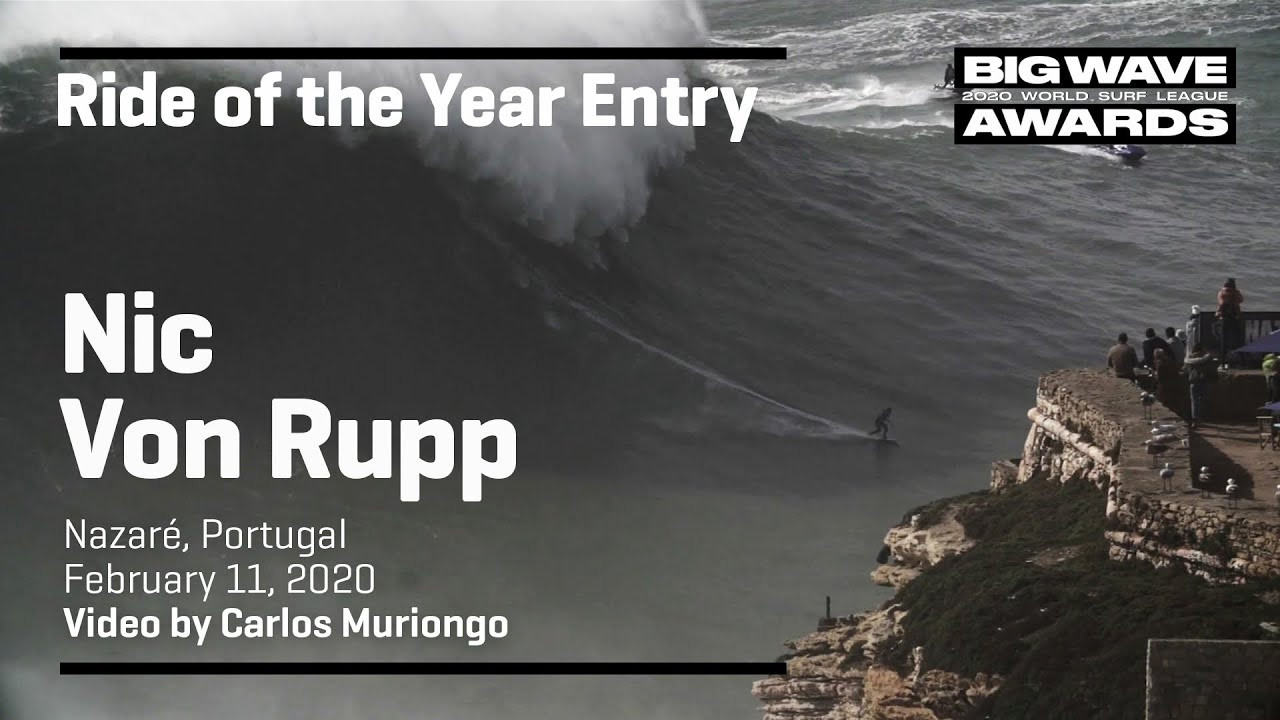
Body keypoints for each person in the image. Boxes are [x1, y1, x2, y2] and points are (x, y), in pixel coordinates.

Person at [1184, 343, 1217, 428]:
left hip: (1194, 381)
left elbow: (1185, 369)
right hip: (1204, 380)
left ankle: (1196, 420)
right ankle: (1204, 418)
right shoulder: (1207, 358)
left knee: (1194, 402)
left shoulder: (1189, 358)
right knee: (1203, 400)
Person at [1217, 278, 1244, 363]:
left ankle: (1223, 360)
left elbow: (1221, 303)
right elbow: (1241, 300)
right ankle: (1240, 359)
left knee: (1223, 340)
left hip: (1224, 318)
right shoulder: (1236, 292)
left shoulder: (1221, 292)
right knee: (1238, 339)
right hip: (1235, 317)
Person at [1153, 349, 1181, 414]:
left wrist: (1154, 375)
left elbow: (1159, 377)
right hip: (1174, 383)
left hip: (1164, 385)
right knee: (1173, 401)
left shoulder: (1159, 363)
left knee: (1163, 401)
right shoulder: (1169, 360)